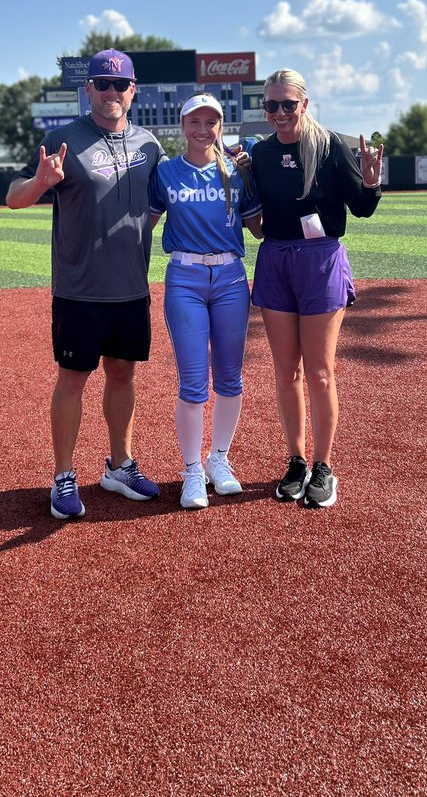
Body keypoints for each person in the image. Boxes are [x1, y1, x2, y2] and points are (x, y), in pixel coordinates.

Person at [6, 49, 165, 520]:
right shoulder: (63, 140)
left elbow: (158, 203)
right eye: (102, 83)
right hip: (79, 289)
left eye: (120, 85)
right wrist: (40, 183)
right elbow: (14, 197)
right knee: (73, 378)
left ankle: (120, 465)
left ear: (133, 91)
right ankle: (63, 475)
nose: (111, 92)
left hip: (131, 287)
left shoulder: (149, 145)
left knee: (123, 374)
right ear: (89, 88)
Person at [248, 68, 383, 510]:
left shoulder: (331, 146)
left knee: (320, 372)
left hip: (321, 261)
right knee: (286, 371)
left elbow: (362, 209)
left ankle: (324, 466)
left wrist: (371, 181)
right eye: (272, 105)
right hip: (275, 260)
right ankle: (296, 461)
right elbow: (255, 218)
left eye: (288, 104)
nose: (280, 112)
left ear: (304, 104)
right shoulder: (261, 154)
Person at [149, 94, 263, 510]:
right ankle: (192, 469)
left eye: (210, 122)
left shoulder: (238, 170)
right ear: (183, 125)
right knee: (194, 382)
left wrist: (261, 174)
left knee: (231, 378)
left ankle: (219, 459)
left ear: (220, 125)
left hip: (231, 277)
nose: (202, 129)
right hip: (185, 279)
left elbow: (259, 229)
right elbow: (143, 223)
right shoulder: (165, 172)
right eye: (194, 121)